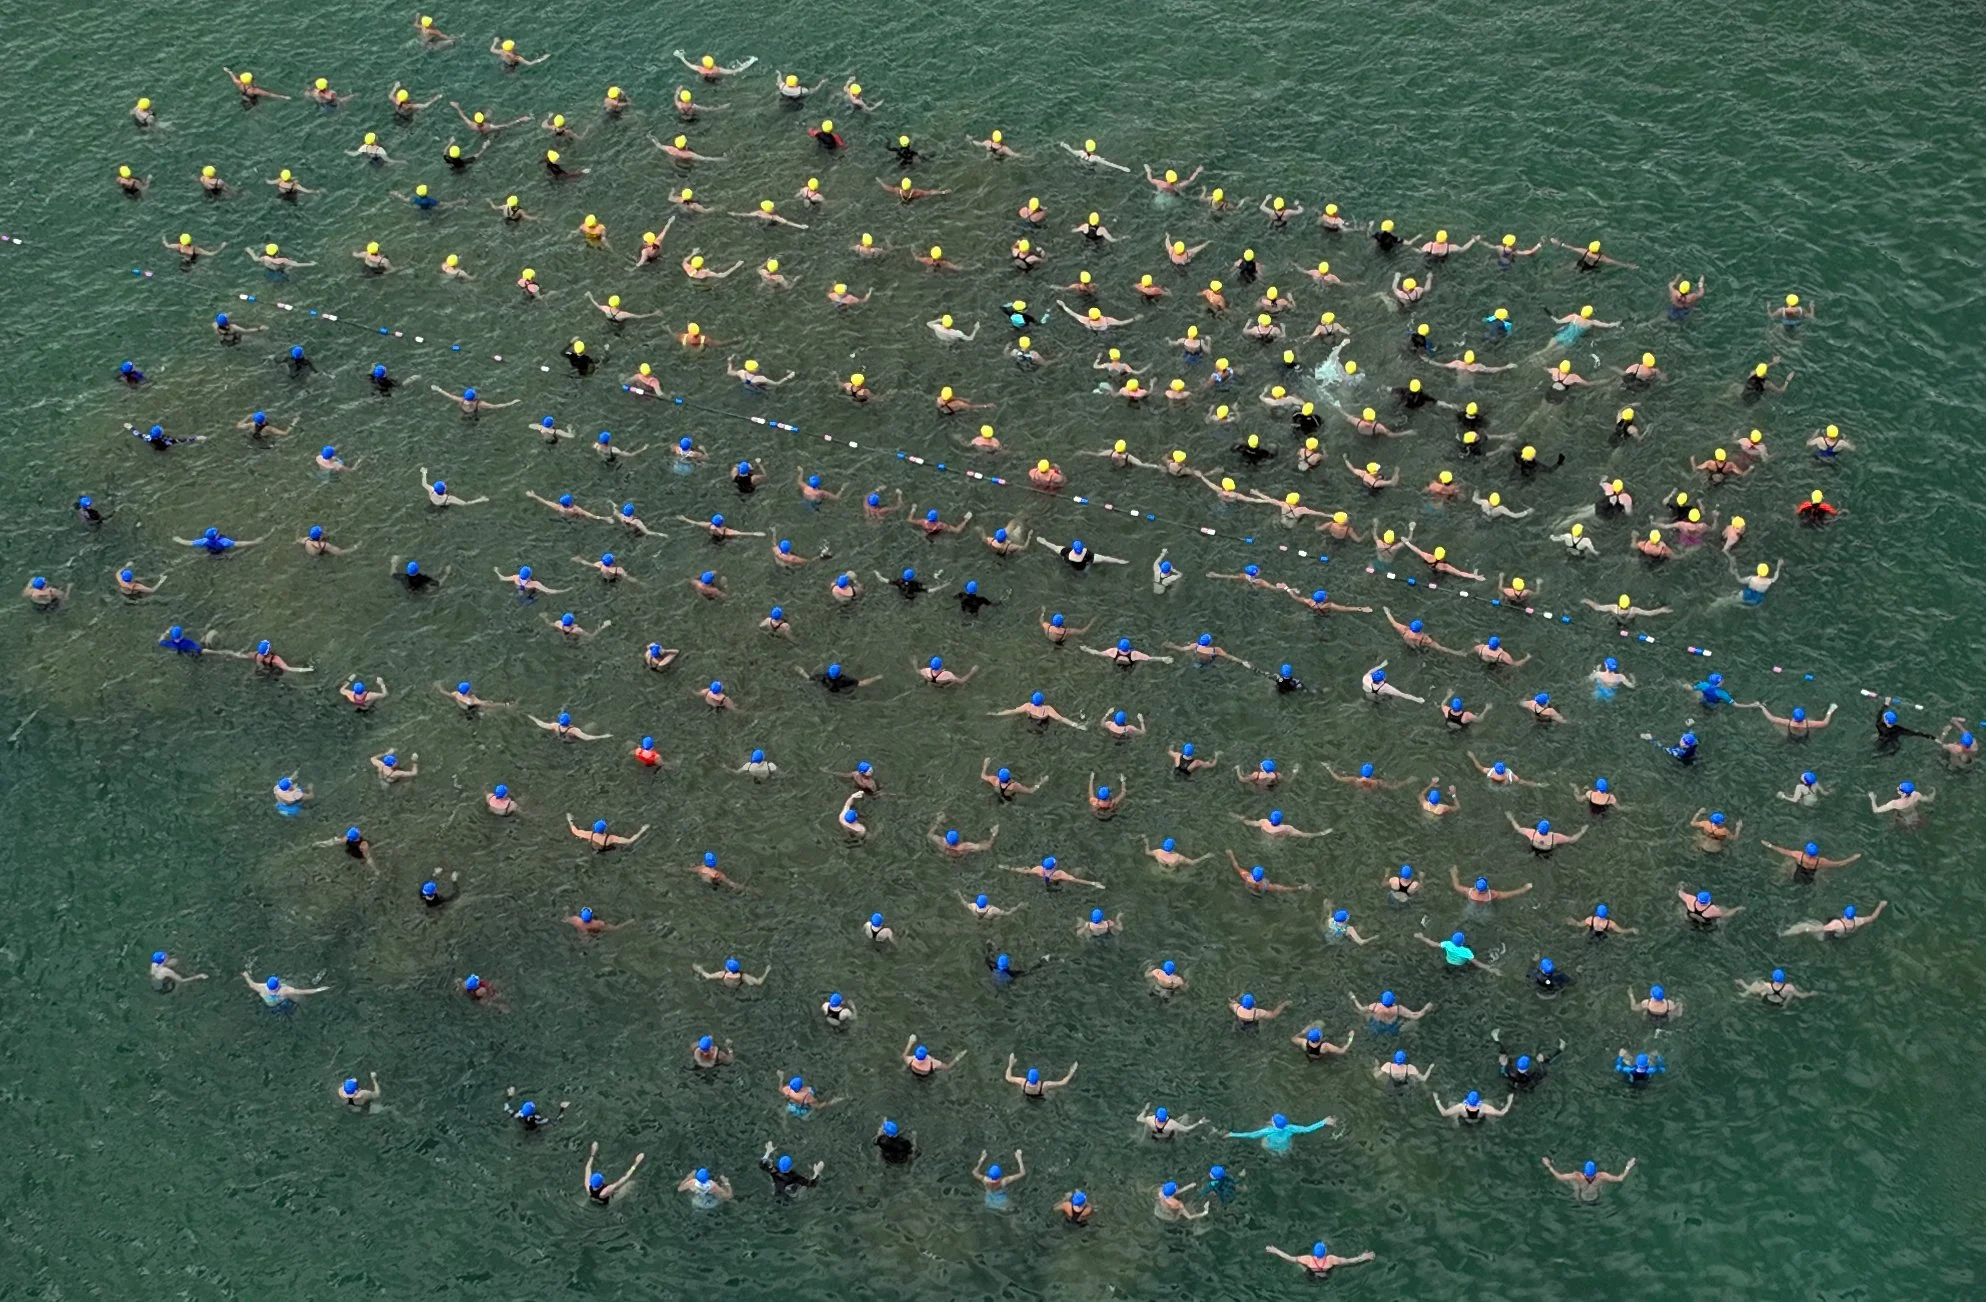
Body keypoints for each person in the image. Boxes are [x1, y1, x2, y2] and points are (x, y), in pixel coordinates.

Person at [1227, 1112, 1337, 1153]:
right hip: (1286, 1147)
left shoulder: (1268, 1130)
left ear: (1273, 1124)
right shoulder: (1291, 1128)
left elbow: (1250, 1135)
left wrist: (1232, 1134)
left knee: (1263, 1142)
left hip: (1271, 1147)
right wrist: (1323, 1122)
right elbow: (1307, 1129)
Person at [1542, 1157, 1636, 1202]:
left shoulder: (1577, 1176)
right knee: (1600, 1185)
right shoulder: (1601, 1176)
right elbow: (1620, 1178)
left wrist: (1549, 1166)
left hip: (1580, 1198)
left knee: (1575, 1184)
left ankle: (1577, 1191)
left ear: (1585, 1172)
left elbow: (1560, 1177)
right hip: (1596, 1197)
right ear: (1595, 1171)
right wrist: (1628, 1166)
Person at [1782, 901, 1887, 938]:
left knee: (1806, 925)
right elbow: (1873, 917)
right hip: (1842, 935)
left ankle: (1784, 934)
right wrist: (1881, 906)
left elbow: (1821, 929)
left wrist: (1807, 930)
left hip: (1830, 934)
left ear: (1844, 914)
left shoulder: (1836, 924)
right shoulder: (1859, 921)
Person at [1265, 1242, 1374, 1278]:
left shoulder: (1308, 1259)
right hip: (1326, 1275)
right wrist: (1364, 1257)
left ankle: (1302, 1269)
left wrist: (1275, 1250)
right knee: (1335, 1267)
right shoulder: (1331, 1259)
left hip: (1311, 1275)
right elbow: (1350, 1261)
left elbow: (1289, 1258)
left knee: (1299, 1264)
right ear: (1325, 1252)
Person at [1417, 930, 1497, 973]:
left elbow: (1433, 944)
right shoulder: (1466, 951)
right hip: (1460, 966)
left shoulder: (1447, 944)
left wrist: (1422, 938)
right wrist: (1490, 969)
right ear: (1462, 942)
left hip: (1448, 964)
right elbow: (1477, 963)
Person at [759, 1143, 824, 1196]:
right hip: (787, 1196)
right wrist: (816, 1172)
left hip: (776, 1193)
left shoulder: (774, 1171)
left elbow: (762, 1165)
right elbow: (811, 1184)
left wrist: (768, 1152)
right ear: (790, 1167)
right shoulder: (794, 1177)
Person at [242, 971, 330, 1010]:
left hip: (270, 1006)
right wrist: (319, 989)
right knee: (296, 998)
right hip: (282, 1005)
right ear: (277, 986)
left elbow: (251, 984)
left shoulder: (261, 987)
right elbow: (302, 992)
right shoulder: (284, 991)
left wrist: (246, 975)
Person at [1004, 1054, 1078, 1097]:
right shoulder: (1044, 1085)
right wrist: (1071, 1071)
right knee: (1054, 1092)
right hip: (1040, 1096)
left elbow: (1008, 1077)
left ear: (1028, 1078)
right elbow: (1063, 1082)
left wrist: (1010, 1065)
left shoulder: (1023, 1082)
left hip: (1026, 1095)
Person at [1736, 968, 1816, 1006]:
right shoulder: (1789, 987)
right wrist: (1810, 994)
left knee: (1757, 983)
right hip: (1779, 1003)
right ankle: (1785, 1005)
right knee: (1791, 993)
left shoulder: (1767, 985)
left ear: (1773, 977)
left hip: (1768, 1002)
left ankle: (1744, 994)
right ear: (1783, 978)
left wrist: (1743, 983)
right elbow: (1801, 996)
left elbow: (1754, 991)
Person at [503, 1087, 569, 1128]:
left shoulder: (517, 1114)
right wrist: (562, 1108)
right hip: (535, 1131)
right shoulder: (537, 1119)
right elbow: (555, 1120)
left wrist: (509, 1096)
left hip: (523, 1126)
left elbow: (507, 1108)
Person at [1434, 1090, 1512, 1123]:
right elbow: (1502, 1113)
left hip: (1465, 1119)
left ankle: (1456, 1121)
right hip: (1479, 1119)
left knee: (1451, 1103)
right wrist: (1509, 1101)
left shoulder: (1461, 1107)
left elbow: (1444, 1113)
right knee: (1489, 1101)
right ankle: (1490, 1120)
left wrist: (1437, 1100)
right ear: (1478, 1101)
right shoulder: (1484, 1107)